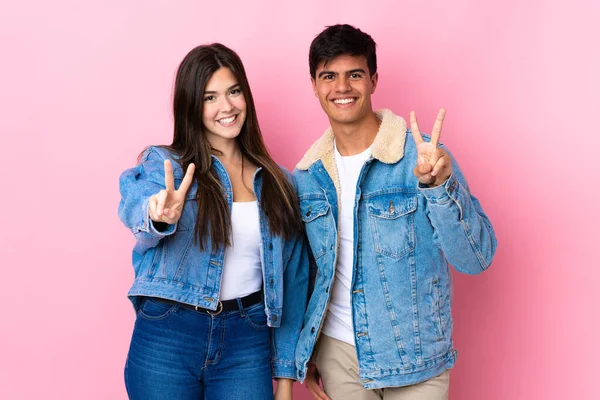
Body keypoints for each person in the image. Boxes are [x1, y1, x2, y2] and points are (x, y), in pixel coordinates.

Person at [293, 24, 498, 400]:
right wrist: (304, 352)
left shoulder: (421, 160)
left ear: (373, 79)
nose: (342, 87)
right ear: (314, 84)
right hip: (338, 356)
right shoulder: (307, 176)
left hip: (415, 355)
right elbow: (307, 273)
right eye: (329, 76)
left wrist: (439, 188)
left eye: (354, 74)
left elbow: (476, 258)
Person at [118, 43, 308, 400]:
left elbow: (294, 280)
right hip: (168, 333)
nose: (227, 107)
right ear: (192, 106)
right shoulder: (167, 167)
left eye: (234, 91)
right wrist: (158, 215)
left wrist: (285, 375)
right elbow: (135, 209)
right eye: (210, 97)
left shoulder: (279, 182)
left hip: (247, 338)